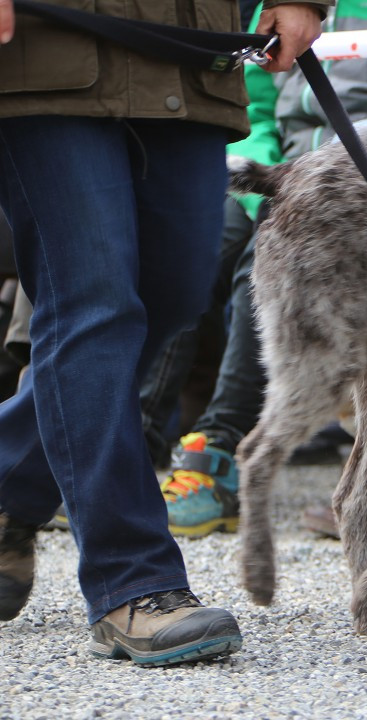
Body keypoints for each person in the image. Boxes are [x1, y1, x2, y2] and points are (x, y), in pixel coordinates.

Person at [0, 0, 324, 665]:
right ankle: (133, 582)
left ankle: (9, 485)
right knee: (93, 305)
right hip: (43, 55)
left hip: (186, 55)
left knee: (170, 296)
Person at [145, 0, 367, 539]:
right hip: (284, 170)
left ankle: (219, 449)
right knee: (191, 244)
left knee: (261, 265)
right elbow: (253, 108)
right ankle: (134, 440)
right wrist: (263, 193)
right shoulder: (273, 5)